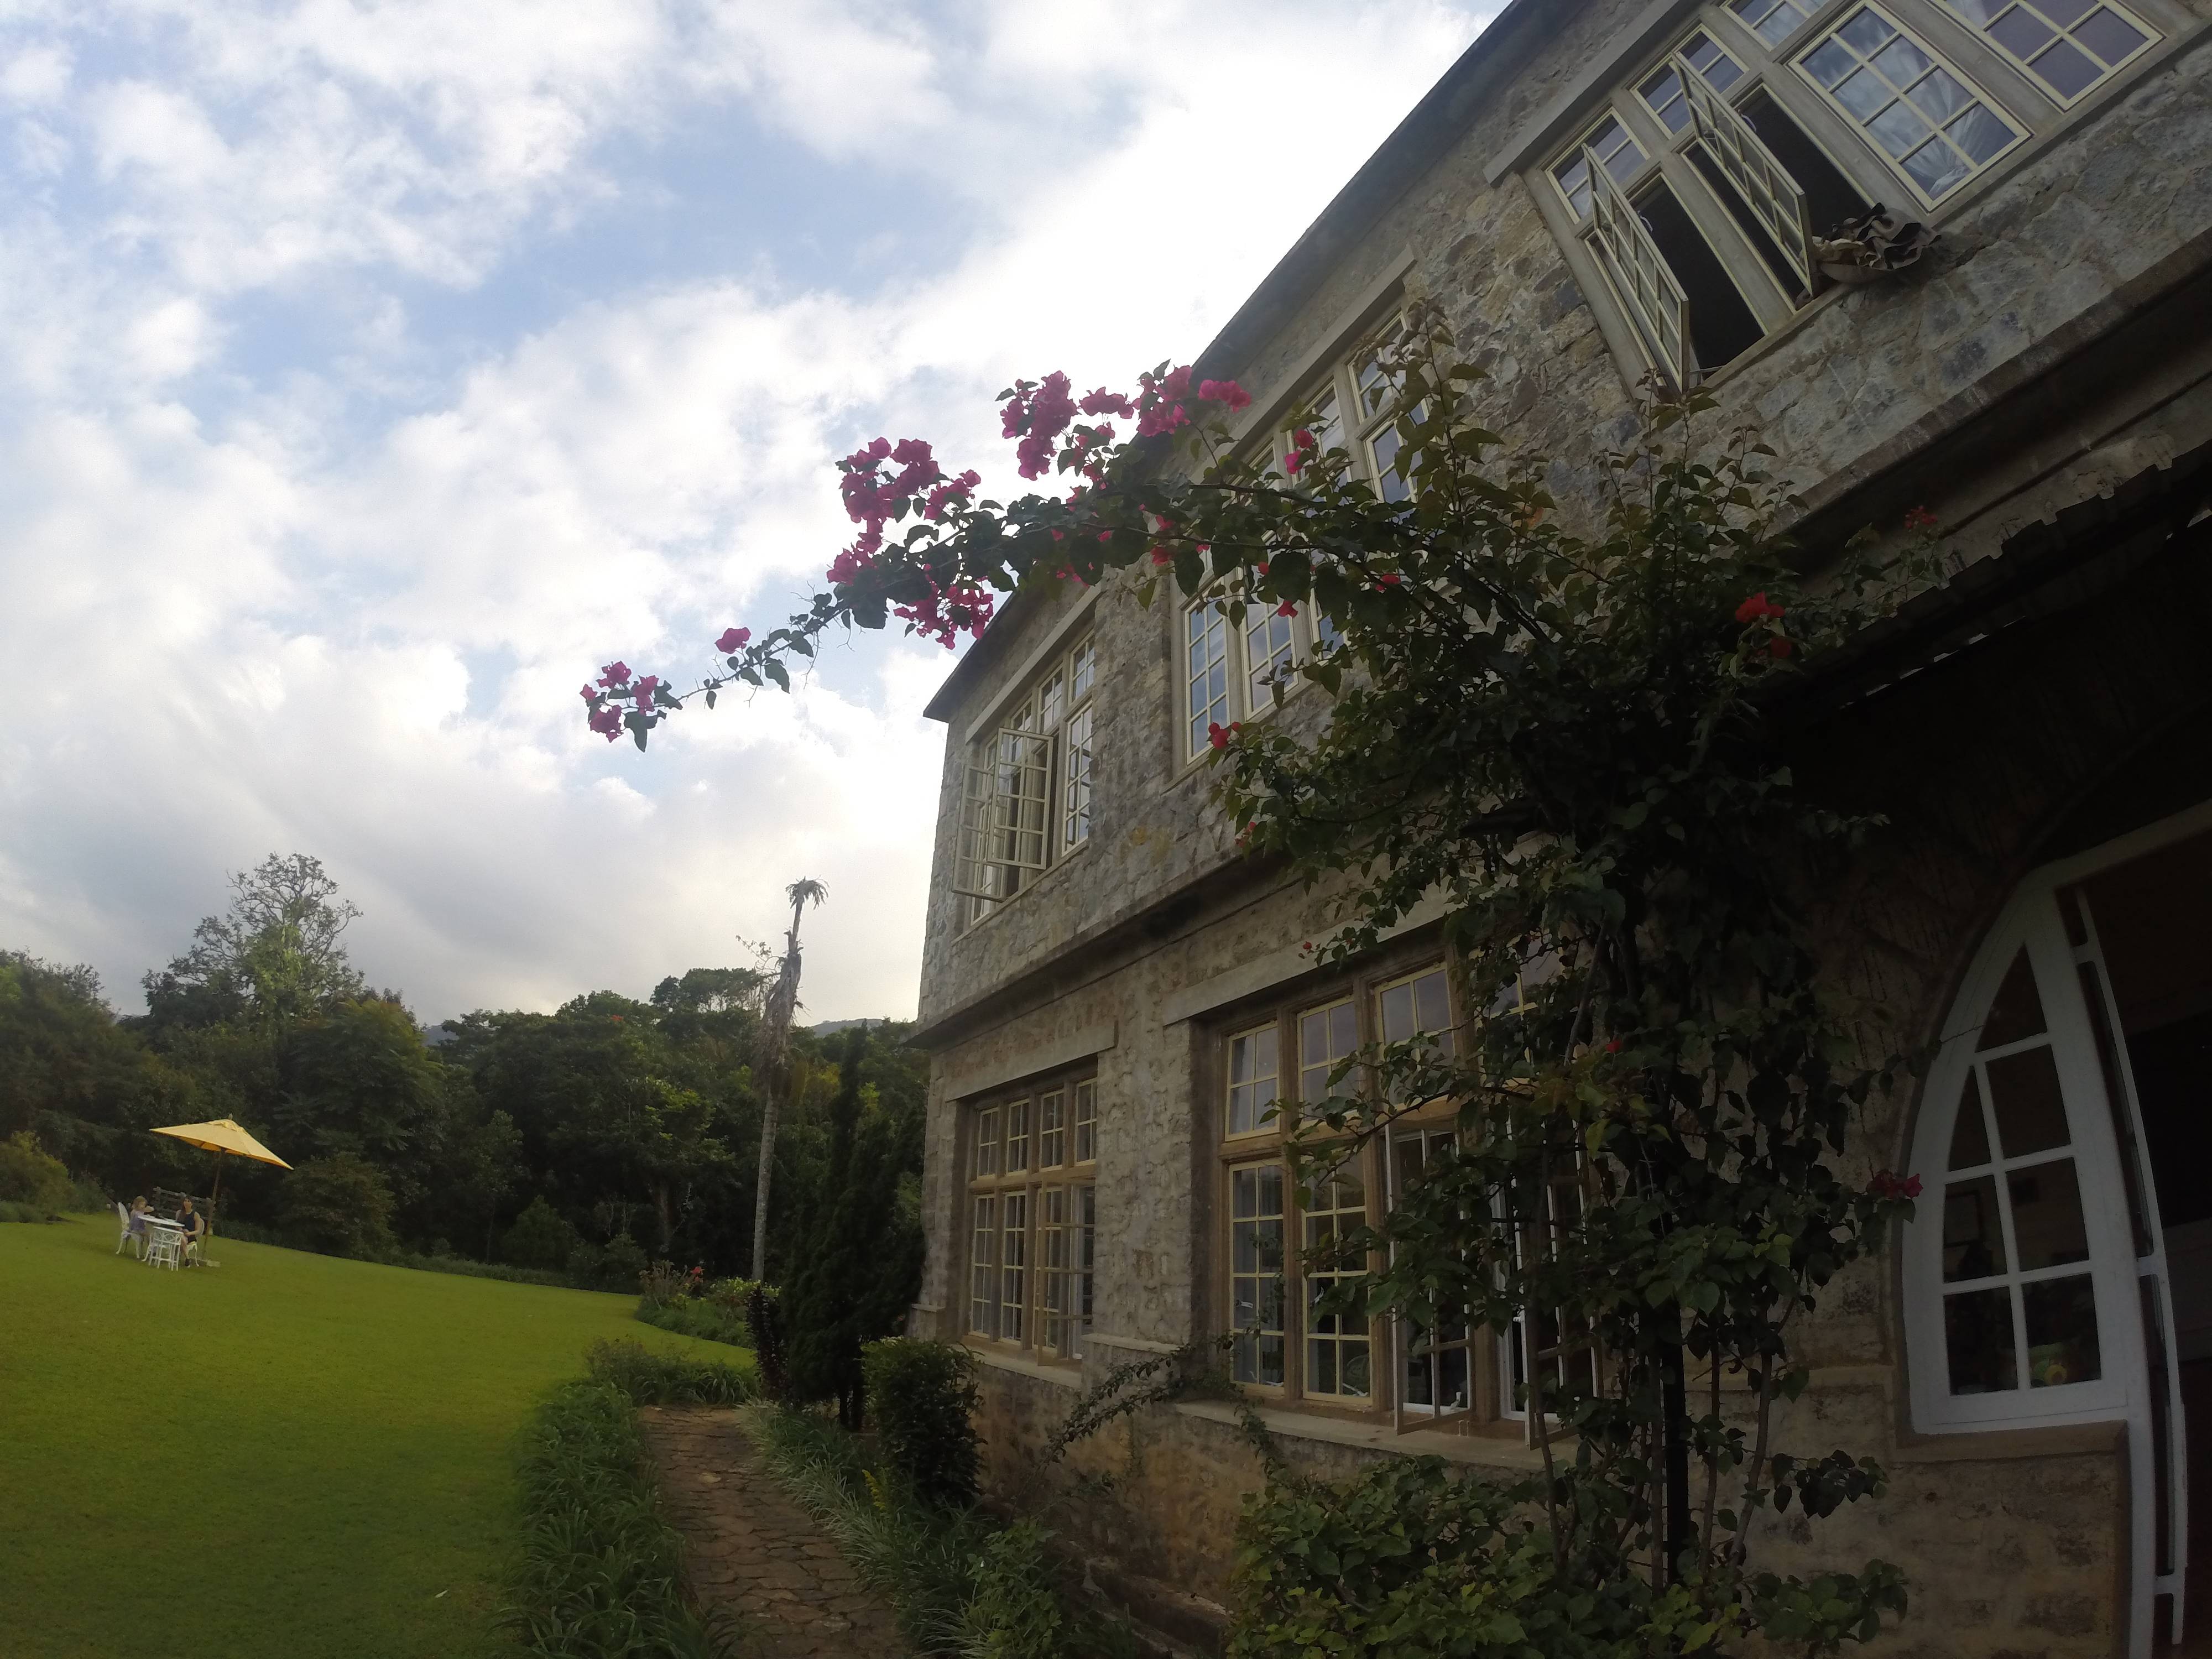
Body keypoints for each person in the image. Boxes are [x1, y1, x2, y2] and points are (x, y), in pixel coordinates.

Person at [175, 1197, 206, 1265]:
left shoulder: (195, 1215)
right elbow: (177, 1225)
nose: (186, 1203)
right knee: (181, 1237)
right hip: (180, 1233)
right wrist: (181, 1230)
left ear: (192, 1204)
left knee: (182, 1239)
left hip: (190, 1235)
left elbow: (198, 1230)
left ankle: (185, 1259)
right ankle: (187, 1258)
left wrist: (189, 1233)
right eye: (185, 1201)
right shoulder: (180, 1213)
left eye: (188, 1201)